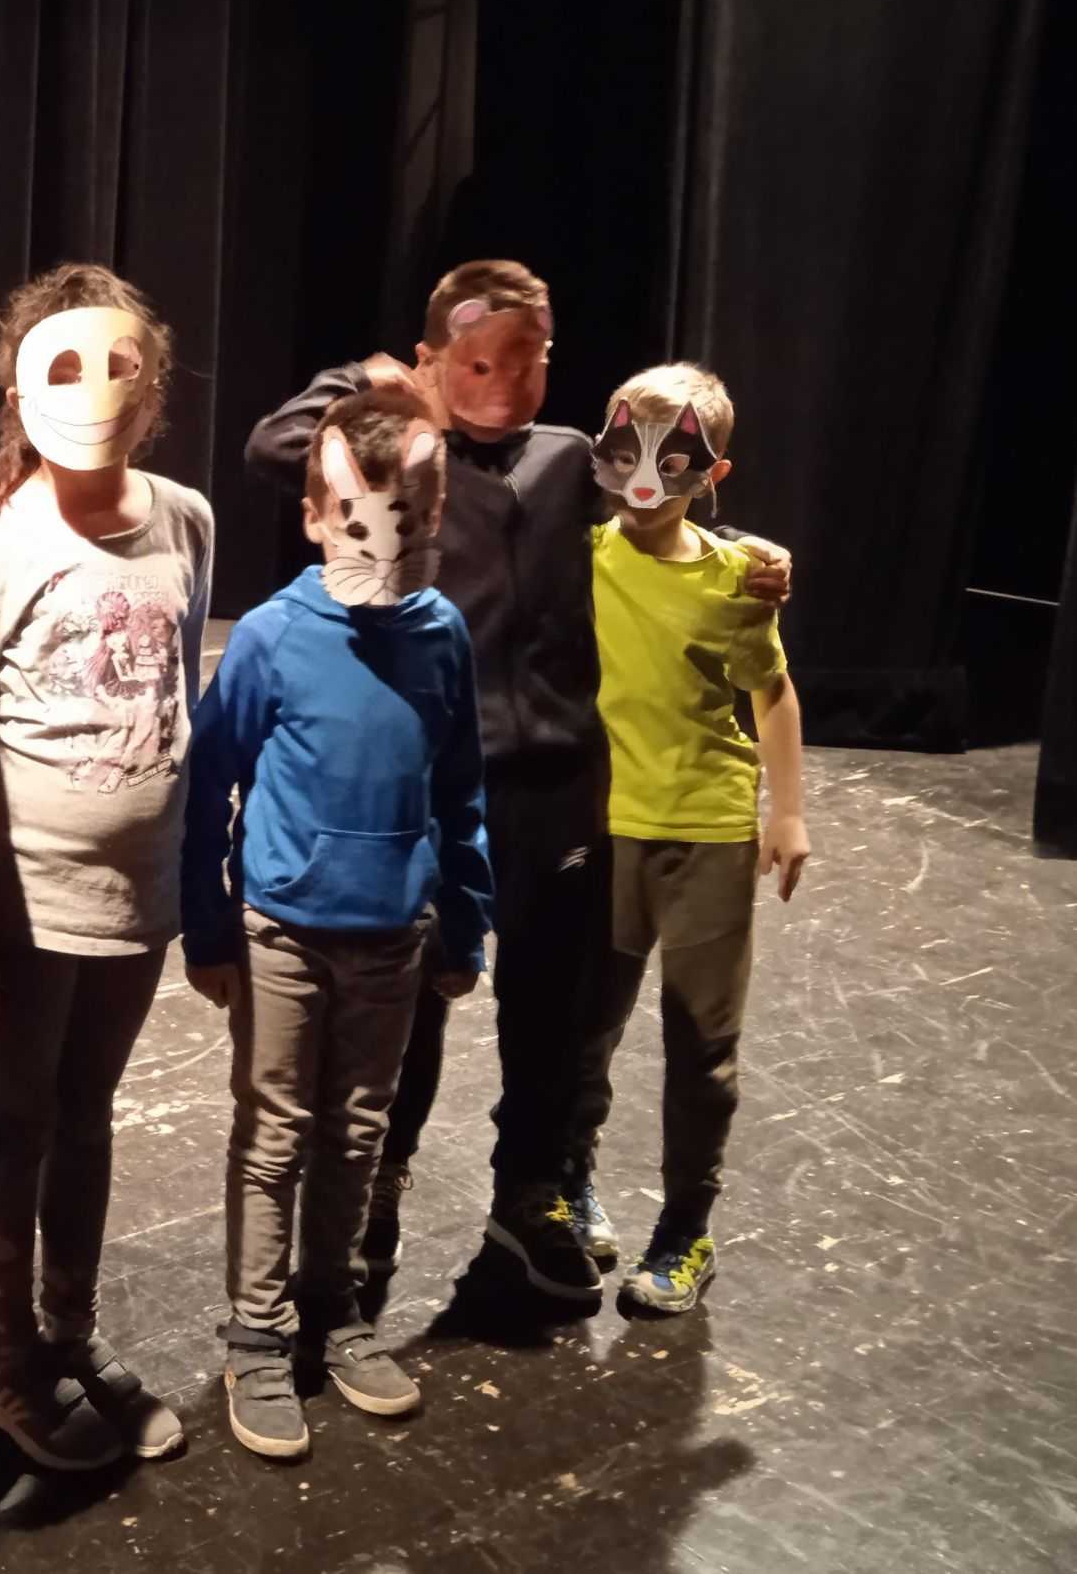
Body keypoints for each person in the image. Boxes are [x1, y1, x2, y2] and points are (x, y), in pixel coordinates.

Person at [244, 261, 792, 1302]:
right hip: (434, 783)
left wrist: (739, 546)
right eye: (477, 364)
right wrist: (371, 381)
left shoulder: (569, 458)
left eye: (527, 360)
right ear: (434, 360)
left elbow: (655, 514)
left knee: (549, 1007)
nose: (503, 383)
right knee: (412, 1003)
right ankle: (379, 1185)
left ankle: (530, 1191)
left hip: (556, 787)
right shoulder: (409, 457)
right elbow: (274, 446)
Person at [0, 263, 213, 1466]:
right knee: (15, 1119)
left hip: (140, 891)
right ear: (17, 394)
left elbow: (180, 683)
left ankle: (70, 1331)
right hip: (25, 903)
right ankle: (7, 1361)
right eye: (62, 367)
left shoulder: (186, 518)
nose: (96, 391)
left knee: (87, 1113)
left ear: (152, 392)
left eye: (120, 368)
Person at [182, 385, 494, 1459]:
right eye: (362, 514)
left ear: (439, 512)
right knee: (275, 1136)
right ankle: (257, 1335)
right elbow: (208, 785)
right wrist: (209, 929)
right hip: (283, 930)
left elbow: (461, 786)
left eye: (415, 513)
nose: (387, 537)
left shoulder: (442, 634)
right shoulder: (273, 636)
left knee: (358, 1133)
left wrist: (465, 919)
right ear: (316, 515)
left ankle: (334, 1307)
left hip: (394, 933)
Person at [585, 363, 808, 1314]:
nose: (642, 476)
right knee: (585, 1030)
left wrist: (786, 811)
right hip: (602, 829)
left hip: (708, 830)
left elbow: (771, 690)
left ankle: (685, 1228)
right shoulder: (576, 554)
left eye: (672, 461)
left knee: (702, 1045)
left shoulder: (734, 580)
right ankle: (570, 1185)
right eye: (621, 449)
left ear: (711, 474)